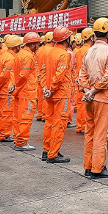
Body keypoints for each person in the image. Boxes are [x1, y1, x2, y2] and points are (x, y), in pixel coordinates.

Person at [77, 18, 108, 179]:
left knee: (90, 133)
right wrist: (93, 91)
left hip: (90, 100)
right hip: (103, 98)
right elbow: (107, 77)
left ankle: (88, 166)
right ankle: (98, 168)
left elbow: (82, 75)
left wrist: (87, 91)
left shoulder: (88, 51)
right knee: (102, 134)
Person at [40, 26, 73, 163]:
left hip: (50, 94)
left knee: (49, 122)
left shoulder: (49, 52)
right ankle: (53, 154)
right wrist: (52, 88)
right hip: (61, 94)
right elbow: (60, 76)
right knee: (59, 124)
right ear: (66, 39)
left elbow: (42, 72)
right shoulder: (64, 54)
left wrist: (45, 88)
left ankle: (46, 150)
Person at [11, 32, 40, 152]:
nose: (38, 46)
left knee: (18, 117)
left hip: (21, 92)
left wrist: (15, 89)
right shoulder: (28, 56)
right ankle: (21, 142)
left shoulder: (20, 54)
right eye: (37, 44)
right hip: (27, 92)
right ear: (33, 44)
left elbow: (15, 73)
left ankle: (18, 139)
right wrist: (17, 89)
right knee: (25, 118)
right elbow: (24, 76)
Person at [0, 33, 17, 143]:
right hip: (6, 90)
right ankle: (4, 134)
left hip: (2, 89)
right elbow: (5, 76)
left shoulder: (4, 55)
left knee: (0, 112)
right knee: (7, 112)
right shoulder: (11, 58)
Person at [73, 29, 93, 133]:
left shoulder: (79, 50)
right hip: (87, 81)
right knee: (86, 105)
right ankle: (84, 125)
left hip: (79, 80)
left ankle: (80, 125)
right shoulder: (90, 51)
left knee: (80, 104)